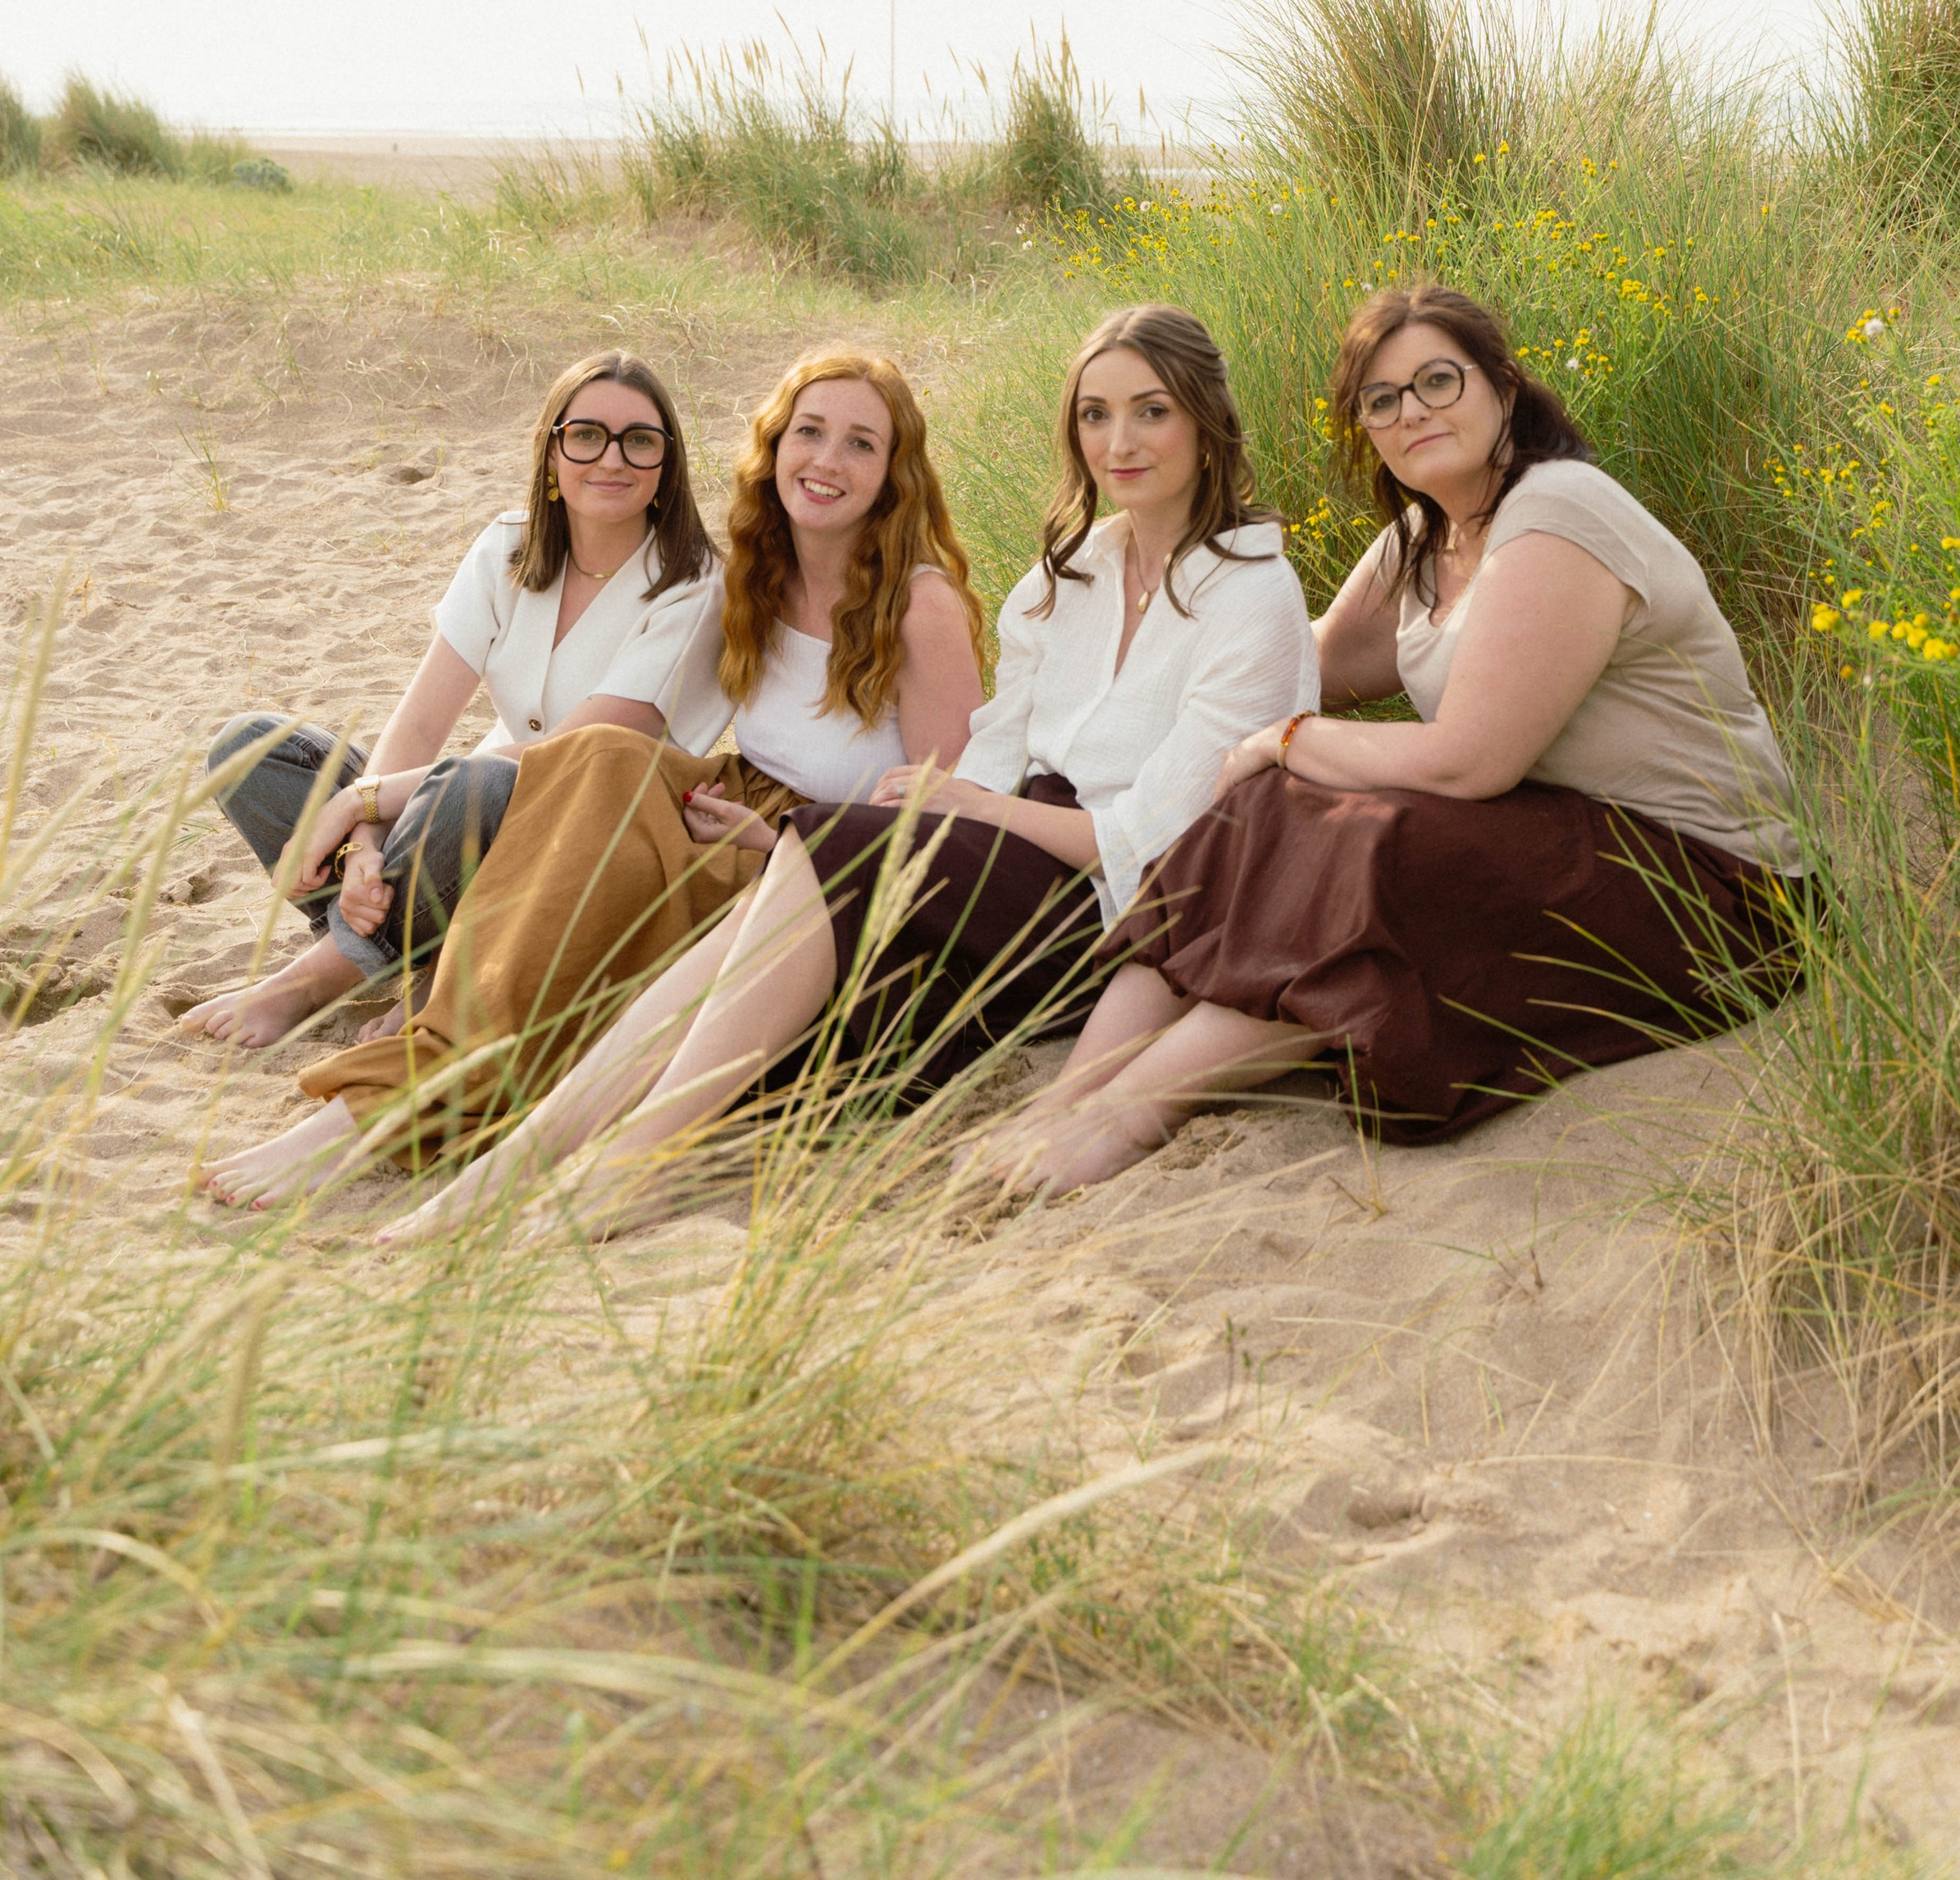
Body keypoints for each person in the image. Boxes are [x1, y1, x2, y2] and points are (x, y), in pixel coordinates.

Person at [349, 300, 1320, 1244]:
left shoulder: (1253, 593)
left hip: (1117, 906)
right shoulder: (1062, 580)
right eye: (1095, 414)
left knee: (821, 854)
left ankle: (626, 1165)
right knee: (750, 938)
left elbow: (1154, 838)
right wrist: (947, 806)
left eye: (1152, 410)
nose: (1121, 440)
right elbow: (990, 755)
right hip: (1006, 846)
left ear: (1206, 421)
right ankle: (527, 1155)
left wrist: (965, 807)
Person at [978, 280, 1806, 1196]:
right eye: (1382, 399)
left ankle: (1136, 1109)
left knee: (1375, 843)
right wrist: (1178, 683)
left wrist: (1287, 737)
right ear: (1364, 427)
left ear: (1502, 386)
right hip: (1555, 836)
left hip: (1706, 885)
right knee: (1262, 810)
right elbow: (1290, 667)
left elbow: (1467, 760)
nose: (1411, 411)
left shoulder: (1560, 512)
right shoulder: (1423, 539)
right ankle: (1067, 1099)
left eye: (1438, 382)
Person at [198, 348, 987, 1209]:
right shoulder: (760, 579)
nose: (827, 461)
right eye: (810, 432)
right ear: (774, 446)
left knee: (564, 774)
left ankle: (375, 1089)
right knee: (577, 768)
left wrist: (787, 843)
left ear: (895, 470)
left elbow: (952, 825)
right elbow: (440, 718)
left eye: (860, 444)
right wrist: (365, 829)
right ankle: (416, 990)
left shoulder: (918, 606)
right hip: (724, 804)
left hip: (824, 861)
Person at [181, 350, 718, 1048]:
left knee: (479, 778)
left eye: (639, 441)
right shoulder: (508, 549)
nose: (611, 458)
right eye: (586, 434)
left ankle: (314, 979)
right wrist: (369, 844)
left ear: (666, 467)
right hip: (453, 825)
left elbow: (563, 759)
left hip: (577, 851)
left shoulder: (694, 586)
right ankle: (419, 947)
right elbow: (423, 719)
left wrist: (357, 803)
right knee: (248, 748)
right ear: (551, 452)